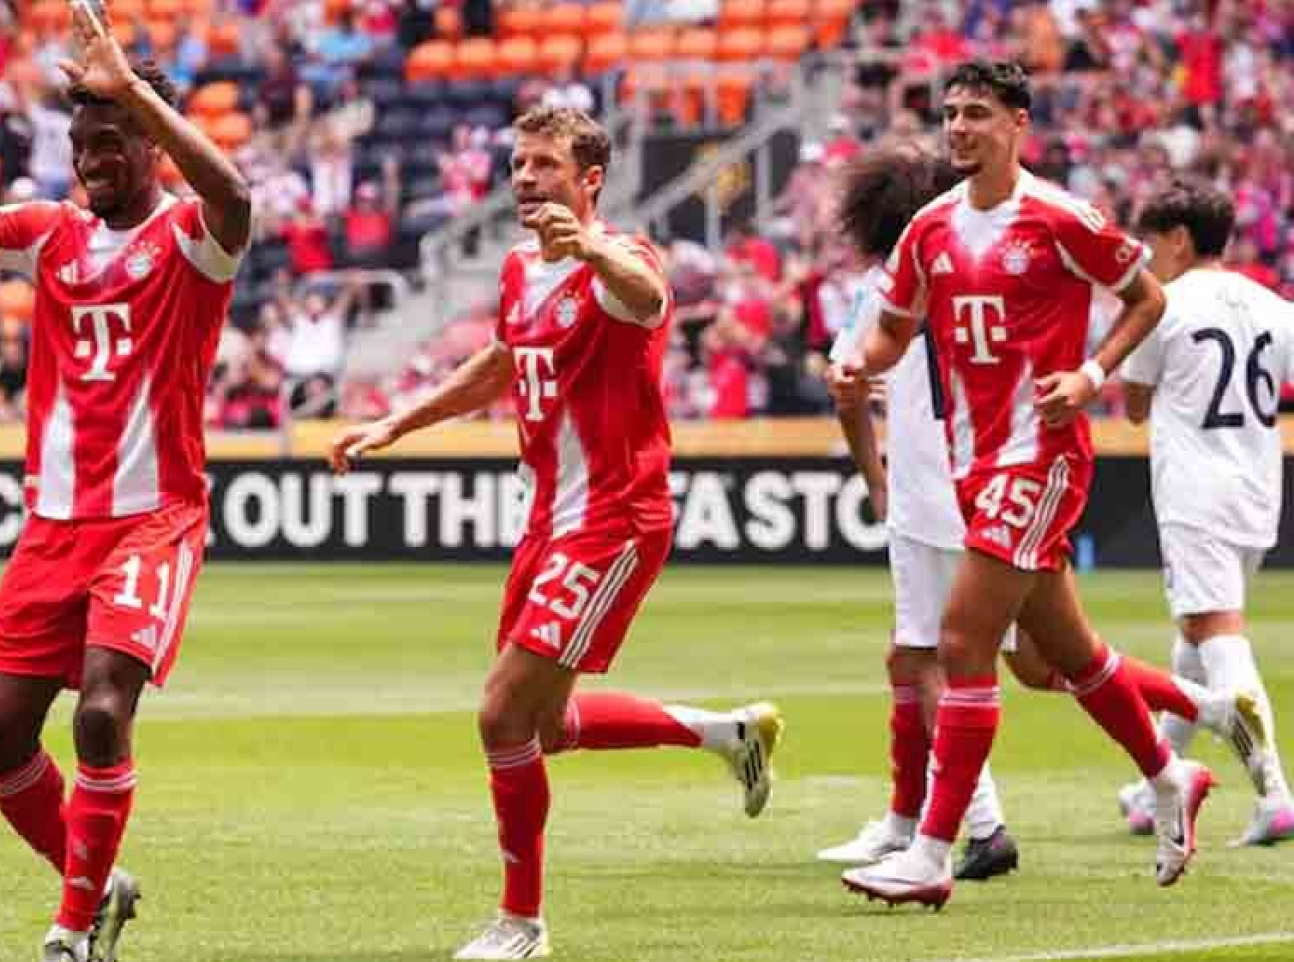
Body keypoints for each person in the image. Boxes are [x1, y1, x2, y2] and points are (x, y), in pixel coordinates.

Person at [330, 106, 782, 960]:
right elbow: (501, 363)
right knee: (542, 729)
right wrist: (397, 423)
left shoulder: (621, 260)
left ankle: (522, 924)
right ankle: (728, 733)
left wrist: (592, 248)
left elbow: (647, 296)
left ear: (590, 180)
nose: (528, 179)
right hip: (546, 522)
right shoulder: (514, 269)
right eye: (519, 164)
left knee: (501, 711)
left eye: (546, 164)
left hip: (614, 519)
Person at [828, 61, 1260, 908]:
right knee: (1065, 655)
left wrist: (1094, 374)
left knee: (959, 644)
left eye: (978, 114)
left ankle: (932, 852)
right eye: (950, 114)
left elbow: (1147, 300)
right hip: (975, 461)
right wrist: (856, 370)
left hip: (1044, 455)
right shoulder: (929, 229)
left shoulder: (1061, 217)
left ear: (1018, 123)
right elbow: (891, 331)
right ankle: (1171, 773)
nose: (959, 128)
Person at [0, 1, 251, 962]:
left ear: (151, 144)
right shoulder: (49, 233)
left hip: (151, 519)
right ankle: (98, 879)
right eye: (81, 142)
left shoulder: (189, 242)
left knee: (98, 709)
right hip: (52, 526)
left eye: (111, 140)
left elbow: (237, 198)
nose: (91, 159)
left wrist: (138, 93)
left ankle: (72, 930)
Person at [817, 144, 1022, 880]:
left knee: (930, 658)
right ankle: (1184, 731)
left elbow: (847, 386)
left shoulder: (888, 285)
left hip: (928, 488)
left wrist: (873, 475)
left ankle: (981, 822)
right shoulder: (983, 270)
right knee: (1049, 658)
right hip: (1003, 476)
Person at [1114, 182, 1293, 847]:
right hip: (1257, 483)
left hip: (1196, 490)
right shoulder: (1274, 305)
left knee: (1218, 637)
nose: (1148, 258)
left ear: (1180, 238)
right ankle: (1157, 780)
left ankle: (1274, 789)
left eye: (1153, 243)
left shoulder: (1161, 306)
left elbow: (1133, 405)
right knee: (1194, 638)